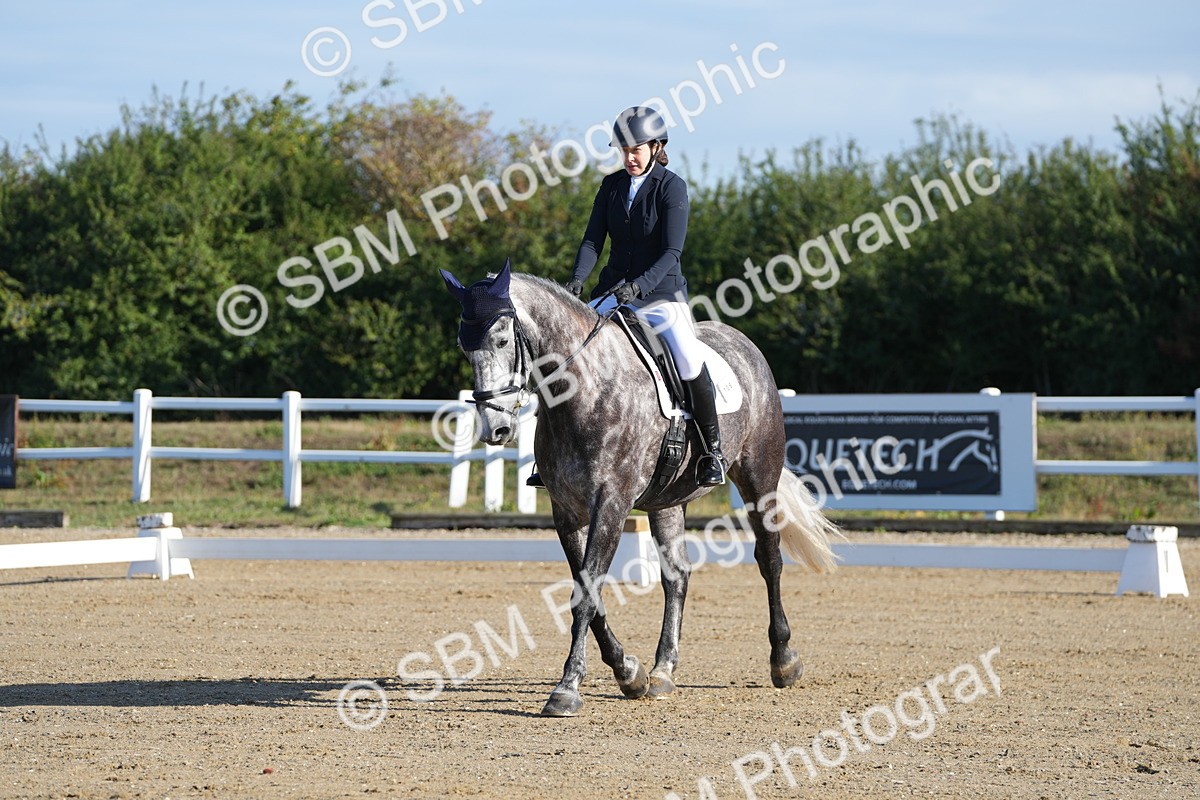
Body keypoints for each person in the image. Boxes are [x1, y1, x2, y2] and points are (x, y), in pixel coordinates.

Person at [537, 105, 727, 487]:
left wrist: (639, 286)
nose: (628, 157)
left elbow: (671, 253)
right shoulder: (611, 186)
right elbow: (593, 240)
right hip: (613, 292)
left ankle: (712, 451)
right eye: (623, 150)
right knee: (563, 359)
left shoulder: (671, 187)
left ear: (656, 146)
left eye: (635, 150)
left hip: (660, 294)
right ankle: (547, 458)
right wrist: (576, 282)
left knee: (688, 359)